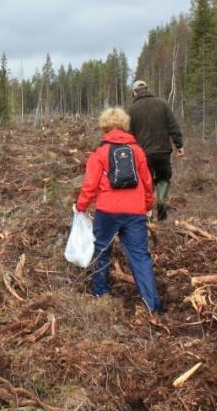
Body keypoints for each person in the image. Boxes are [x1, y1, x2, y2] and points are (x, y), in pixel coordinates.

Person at [75, 107, 163, 313]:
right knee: (140, 256)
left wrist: (81, 206)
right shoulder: (138, 151)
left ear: (104, 126)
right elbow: (148, 183)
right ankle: (153, 304)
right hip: (135, 212)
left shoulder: (100, 152)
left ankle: (100, 292)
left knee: (102, 252)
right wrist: (147, 205)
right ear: (125, 125)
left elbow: (90, 185)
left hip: (107, 212)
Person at [127, 80, 184, 220]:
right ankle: (161, 206)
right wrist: (179, 145)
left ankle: (148, 215)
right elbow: (173, 125)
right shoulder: (162, 104)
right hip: (163, 152)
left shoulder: (132, 110)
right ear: (147, 89)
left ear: (134, 92)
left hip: (143, 155)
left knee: (146, 183)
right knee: (163, 178)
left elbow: (129, 135)